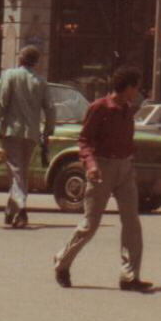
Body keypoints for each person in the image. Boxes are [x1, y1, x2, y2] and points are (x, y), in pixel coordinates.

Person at [54, 66, 150, 292]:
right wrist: (91, 165)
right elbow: (85, 140)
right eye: (135, 87)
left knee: (132, 223)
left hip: (125, 169)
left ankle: (129, 276)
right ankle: (62, 261)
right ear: (126, 87)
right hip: (102, 169)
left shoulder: (128, 109)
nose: (137, 92)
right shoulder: (98, 108)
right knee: (90, 225)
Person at [0, 45, 55, 229]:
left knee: (16, 172)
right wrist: (47, 132)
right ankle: (10, 211)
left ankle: (21, 209)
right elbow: (51, 109)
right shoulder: (41, 81)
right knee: (20, 172)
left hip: (11, 132)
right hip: (31, 134)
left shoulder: (9, 76)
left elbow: (0, 104)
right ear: (36, 62)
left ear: (20, 59)